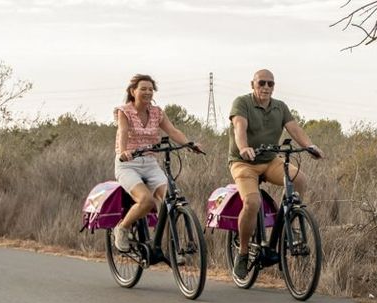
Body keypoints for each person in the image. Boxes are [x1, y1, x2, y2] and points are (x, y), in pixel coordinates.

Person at [227, 69, 323, 279]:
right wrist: (243, 147)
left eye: (271, 84)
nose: (266, 88)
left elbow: (294, 129)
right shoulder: (242, 103)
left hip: (270, 160)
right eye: (262, 83)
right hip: (244, 163)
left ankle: (289, 220)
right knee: (252, 203)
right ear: (252, 84)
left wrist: (310, 146)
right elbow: (239, 127)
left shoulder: (280, 107)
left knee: (299, 179)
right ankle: (243, 253)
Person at [112, 74, 205, 251]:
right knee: (146, 201)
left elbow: (172, 130)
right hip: (128, 164)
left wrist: (189, 144)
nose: (147, 92)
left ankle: (169, 247)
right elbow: (123, 131)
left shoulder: (157, 112)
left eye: (150, 89)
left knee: (170, 200)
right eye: (143, 89)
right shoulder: (124, 111)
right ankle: (122, 228)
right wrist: (124, 151)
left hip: (150, 163)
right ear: (133, 91)